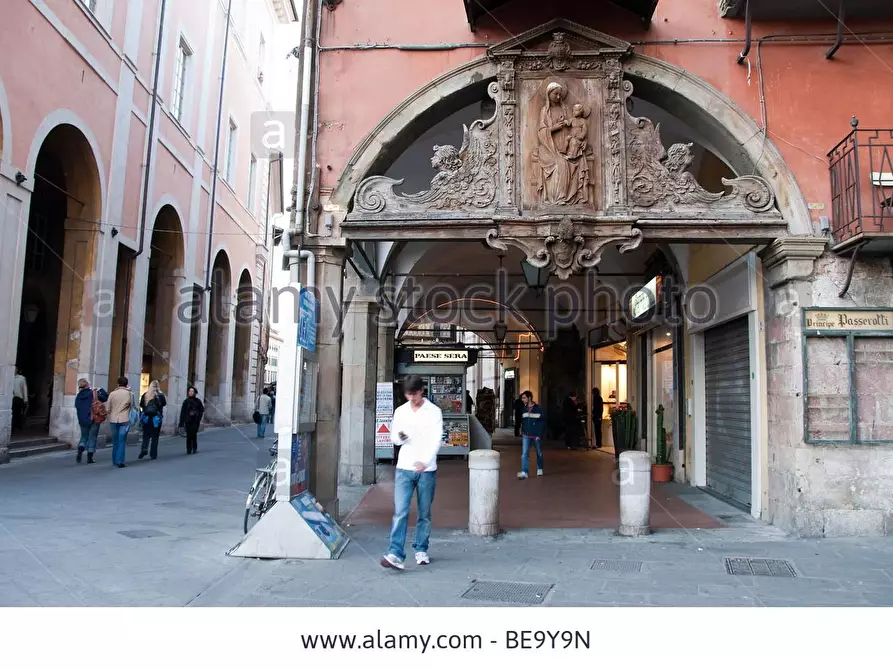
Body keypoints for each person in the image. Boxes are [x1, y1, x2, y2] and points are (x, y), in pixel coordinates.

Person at [381, 374, 443, 571]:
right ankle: (395, 553)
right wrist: (401, 437)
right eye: (408, 395)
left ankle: (421, 549)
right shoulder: (401, 412)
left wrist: (425, 461)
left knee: (424, 512)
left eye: (414, 395)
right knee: (401, 511)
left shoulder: (434, 412)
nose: (411, 399)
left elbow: (436, 440)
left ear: (421, 391)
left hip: (427, 470)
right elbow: (394, 437)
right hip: (404, 467)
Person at [74, 378, 107, 464]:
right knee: (92, 437)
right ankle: (89, 458)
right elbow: (105, 397)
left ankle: (80, 450)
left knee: (84, 437)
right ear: (87, 384)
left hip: (82, 420)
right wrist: (100, 389)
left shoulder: (78, 396)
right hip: (94, 419)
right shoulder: (93, 393)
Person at [106, 377, 134, 468]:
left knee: (115, 441)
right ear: (126, 384)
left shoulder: (112, 394)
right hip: (125, 419)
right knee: (122, 440)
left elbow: (108, 408)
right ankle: (120, 461)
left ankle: (114, 460)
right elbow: (133, 406)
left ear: (118, 384)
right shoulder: (130, 394)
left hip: (113, 419)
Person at [518, 390, 545, 479]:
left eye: (524, 398)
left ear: (529, 398)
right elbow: (523, 421)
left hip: (536, 435)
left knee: (539, 452)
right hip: (526, 434)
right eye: (522, 398)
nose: (523, 399)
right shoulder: (524, 409)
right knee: (524, 453)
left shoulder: (538, 409)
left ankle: (540, 468)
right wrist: (521, 430)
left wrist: (539, 434)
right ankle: (525, 471)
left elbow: (542, 422)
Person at [139, 380, 167, 460]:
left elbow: (141, 405)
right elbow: (164, 404)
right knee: (155, 436)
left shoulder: (145, 395)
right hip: (156, 418)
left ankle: (144, 448)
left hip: (147, 418)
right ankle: (153, 454)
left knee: (146, 435)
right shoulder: (160, 395)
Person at [179, 386, 205, 455]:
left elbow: (201, 409)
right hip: (188, 420)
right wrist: (181, 423)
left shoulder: (198, 401)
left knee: (194, 434)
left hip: (195, 420)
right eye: (189, 391)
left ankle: (194, 448)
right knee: (189, 435)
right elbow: (182, 412)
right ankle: (188, 448)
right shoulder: (186, 401)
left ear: (195, 393)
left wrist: (198, 416)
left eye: (192, 391)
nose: (190, 392)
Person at [11, 367, 28, 432]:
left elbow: (24, 388)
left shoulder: (21, 378)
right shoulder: (10, 377)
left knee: (17, 413)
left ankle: (17, 426)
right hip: (11, 398)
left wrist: (25, 399)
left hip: (18, 398)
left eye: (15, 370)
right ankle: (14, 426)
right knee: (13, 413)